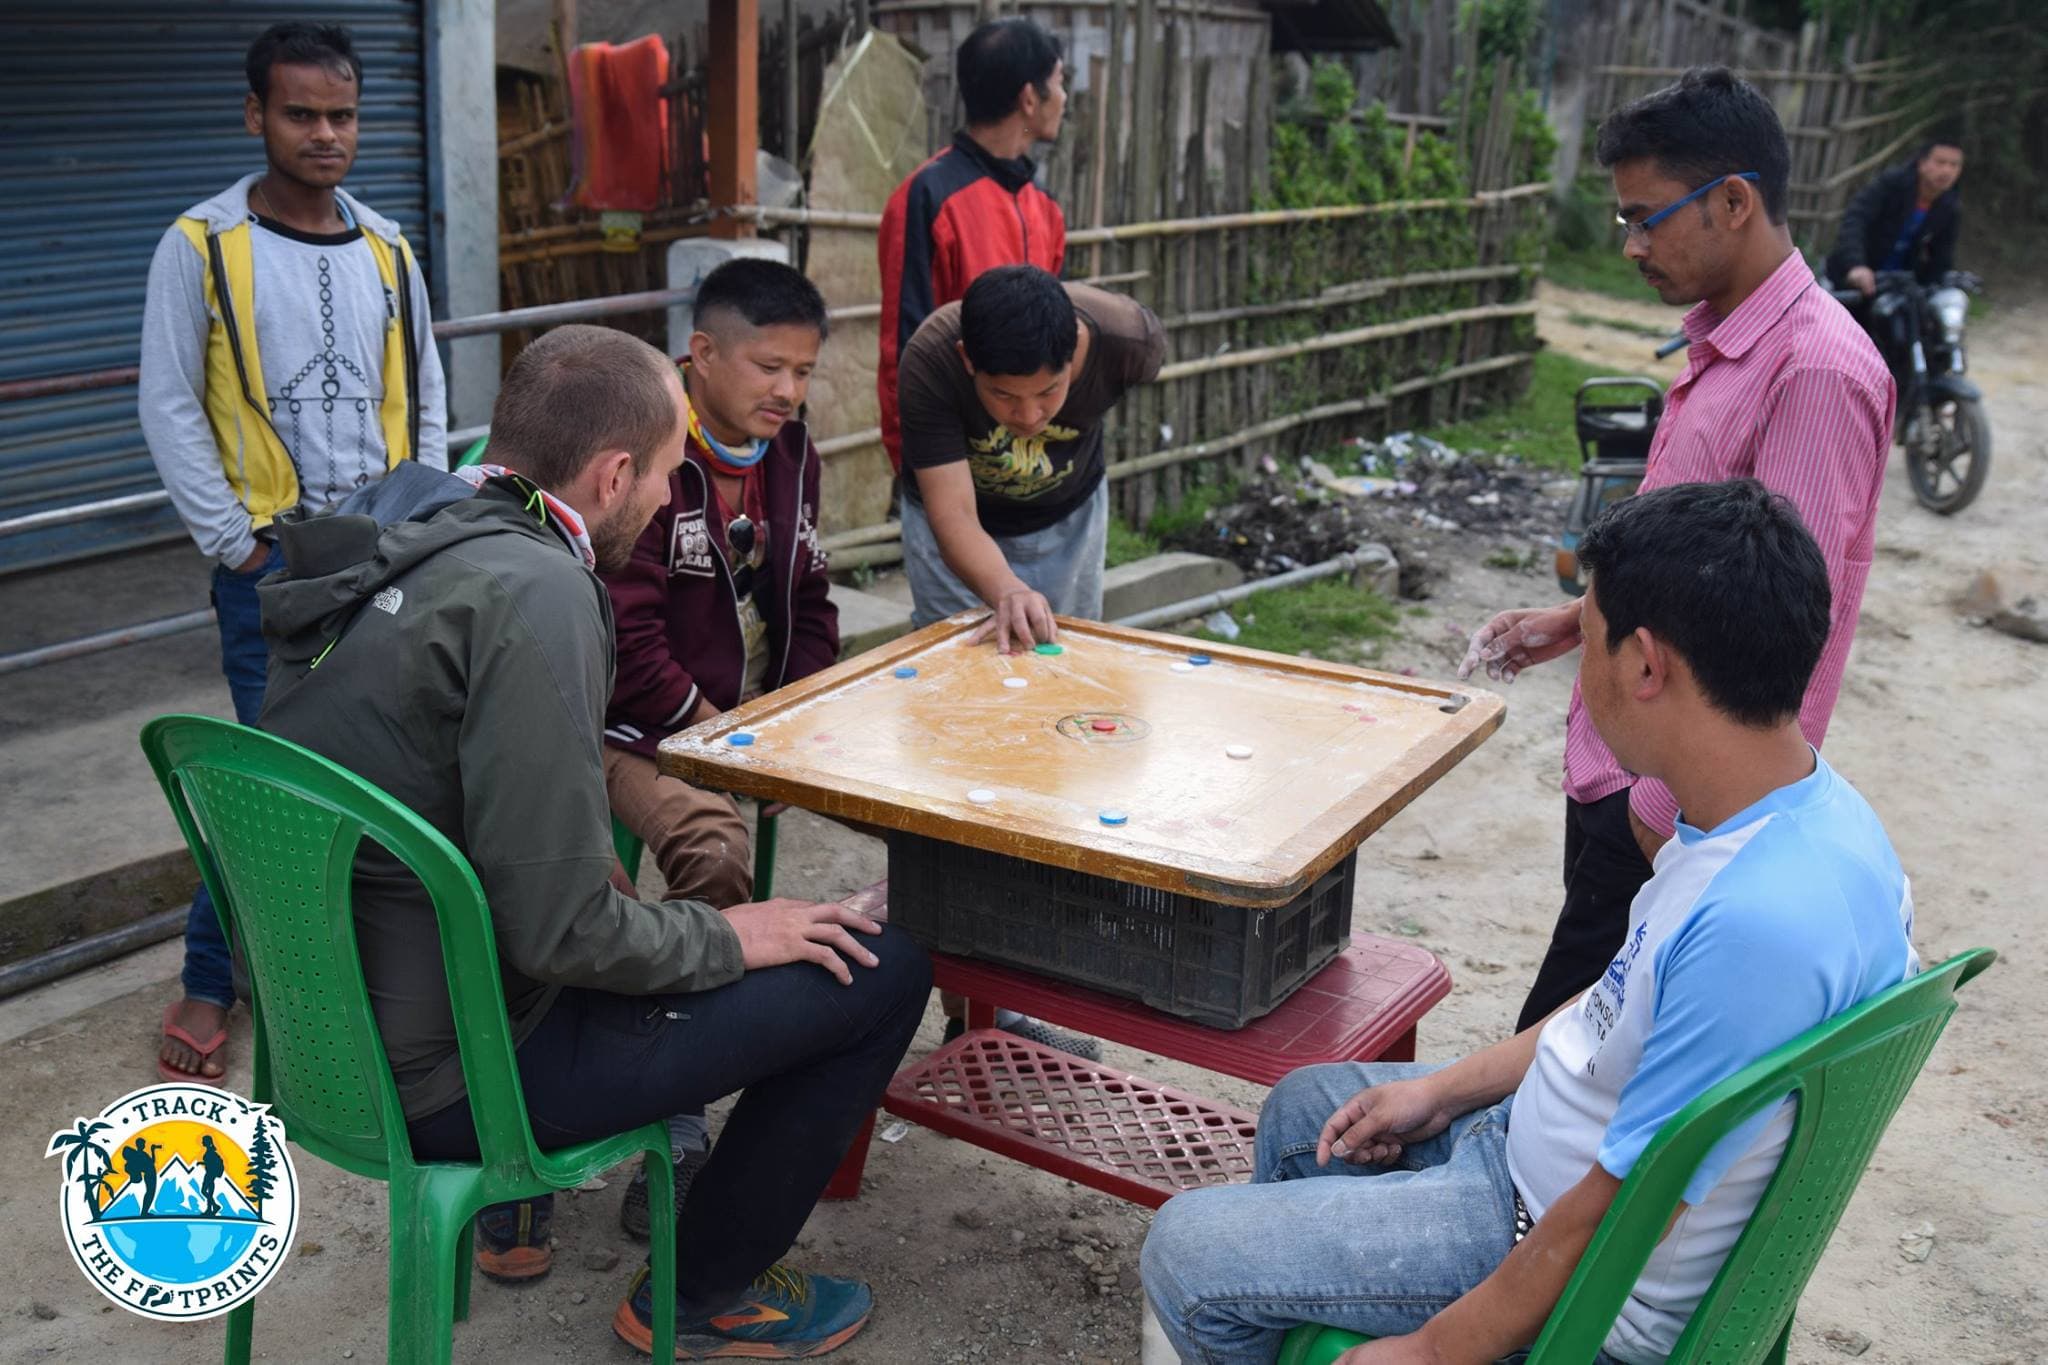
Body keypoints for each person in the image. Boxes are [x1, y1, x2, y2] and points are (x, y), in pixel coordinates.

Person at [258, 324, 930, 1359]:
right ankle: (702, 1297)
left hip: (322, 1049)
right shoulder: (539, 591)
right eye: (667, 475)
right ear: (613, 474)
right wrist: (726, 937)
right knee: (880, 967)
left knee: (741, 927)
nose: (669, 499)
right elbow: (564, 934)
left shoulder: (414, 535)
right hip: (460, 1076)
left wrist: (670, 921)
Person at [1141, 479, 1919, 1364]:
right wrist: (1447, 1089)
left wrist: (1430, 1349)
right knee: (1304, 1109)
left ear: (1647, 665)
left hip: (1548, 1239)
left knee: (1187, 1251)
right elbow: (1621, 1002)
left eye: (1588, 638)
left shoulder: (1757, 927)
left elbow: (1617, 1218)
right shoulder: (1807, 818)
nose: (1581, 677)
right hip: (1532, 1154)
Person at [1457, 65, 1893, 1032]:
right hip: (1625, 764)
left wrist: (1657, 815)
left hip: (1674, 801)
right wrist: (1577, 622)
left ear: (1735, 201)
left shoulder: (1815, 371)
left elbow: (1777, 627)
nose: (1634, 246)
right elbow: (1692, 566)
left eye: (1649, 218)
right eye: (1625, 222)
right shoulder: (1726, 343)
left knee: (1552, 1078)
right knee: (1581, 1062)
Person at [139, 20, 446, 1086]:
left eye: (343, 115)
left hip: (387, 557)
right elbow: (170, 402)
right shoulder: (201, 247)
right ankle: (213, 978)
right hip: (270, 568)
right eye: (302, 114)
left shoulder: (387, 249)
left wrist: (425, 524)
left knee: (394, 774)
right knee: (265, 783)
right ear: (255, 115)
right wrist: (236, 546)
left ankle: (354, 972)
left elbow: (430, 398)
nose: (327, 135)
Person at [598, 257, 840, 1238]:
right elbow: (628, 638)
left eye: (803, 371)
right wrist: (726, 746)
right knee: (710, 847)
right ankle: (674, 1098)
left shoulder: (792, 455)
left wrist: (791, 728)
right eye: (767, 366)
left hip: (734, 732)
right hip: (633, 730)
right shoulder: (642, 449)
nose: (785, 390)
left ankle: (694, 1074)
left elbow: (812, 605)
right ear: (700, 354)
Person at [898, 265, 1165, 651]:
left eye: (1048, 391)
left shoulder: (1129, 340)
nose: (1028, 416)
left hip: (1067, 515)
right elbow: (952, 513)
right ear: (967, 359)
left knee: (1066, 655)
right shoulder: (931, 360)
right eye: (1004, 395)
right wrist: (1006, 589)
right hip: (950, 523)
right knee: (958, 662)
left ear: (1074, 351)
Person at [877, 15, 1068, 475]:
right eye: (1059, 83)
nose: (1064, 98)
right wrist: (917, 466)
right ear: (1029, 97)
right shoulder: (927, 198)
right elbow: (906, 347)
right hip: (951, 457)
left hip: (1027, 460)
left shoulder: (1044, 206)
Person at [1825, 138, 1964, 298]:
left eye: (1954, 165)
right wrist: (1856, 265)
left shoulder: (1949, 207)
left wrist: (1936, 283)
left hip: (1902, 287)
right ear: (1922, 163)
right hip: (1857, 280)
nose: (1947, 171)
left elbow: (1942, 253)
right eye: (1940, 162)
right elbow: (1855, 220)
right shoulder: (1892, 184)